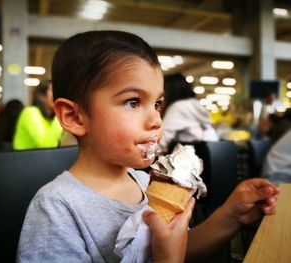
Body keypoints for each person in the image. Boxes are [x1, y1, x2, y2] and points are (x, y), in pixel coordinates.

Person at [17, 31, 279, 263]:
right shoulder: (56, 208)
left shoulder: (146, 183)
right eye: (132, 102)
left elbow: (180, 250)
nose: (156, 120)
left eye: (157, 104)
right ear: (75, 117)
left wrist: (230, 217)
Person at [160, 73, 218, 152]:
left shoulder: (178, 107)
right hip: (210, 151)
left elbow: (163, 137)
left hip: (196, 154)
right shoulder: (193, 104)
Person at [13, 80, 63, 150]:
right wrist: (61, 114)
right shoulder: (30, 112)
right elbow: (46, 145)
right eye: (54, 92)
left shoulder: (51, 118)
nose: (58, 96)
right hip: (26, 159)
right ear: (42, 96)